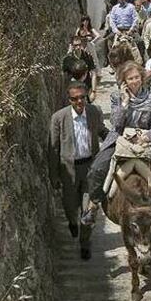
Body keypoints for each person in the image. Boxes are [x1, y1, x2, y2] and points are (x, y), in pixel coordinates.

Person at [81, 61, 151, 226]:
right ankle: (93, 206)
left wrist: (146, 138)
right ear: (124, 81)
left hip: (146, 138)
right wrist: (125, 103)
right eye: (130, 78)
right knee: (98, 167)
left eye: (136, 77)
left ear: (142, 78)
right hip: (120, 137)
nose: (134, 81)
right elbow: (115, 123)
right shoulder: (116, 97)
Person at [48, 81, 109, 260]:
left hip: (90, 168)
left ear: (87, 95)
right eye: (75, 99)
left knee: (88, 211)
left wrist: (117, 139)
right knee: (69, 206)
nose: (80, 102)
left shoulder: (93, 112)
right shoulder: (59, 118)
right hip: (69, 170)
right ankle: (72, 222)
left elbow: (102, 131)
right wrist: (54, 176)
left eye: (82, 97)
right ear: (69, 100)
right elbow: (52, 149)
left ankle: (85, 243)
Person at [63, 36, 98, 102]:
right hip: (73, 89)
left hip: (86, 87)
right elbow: (64, 76)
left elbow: (93, 74)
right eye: (76, 45)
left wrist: (93, 91)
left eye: (79, 45)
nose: (78, 47)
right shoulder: (68, 59)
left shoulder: (87, 56)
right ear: (72, 46)